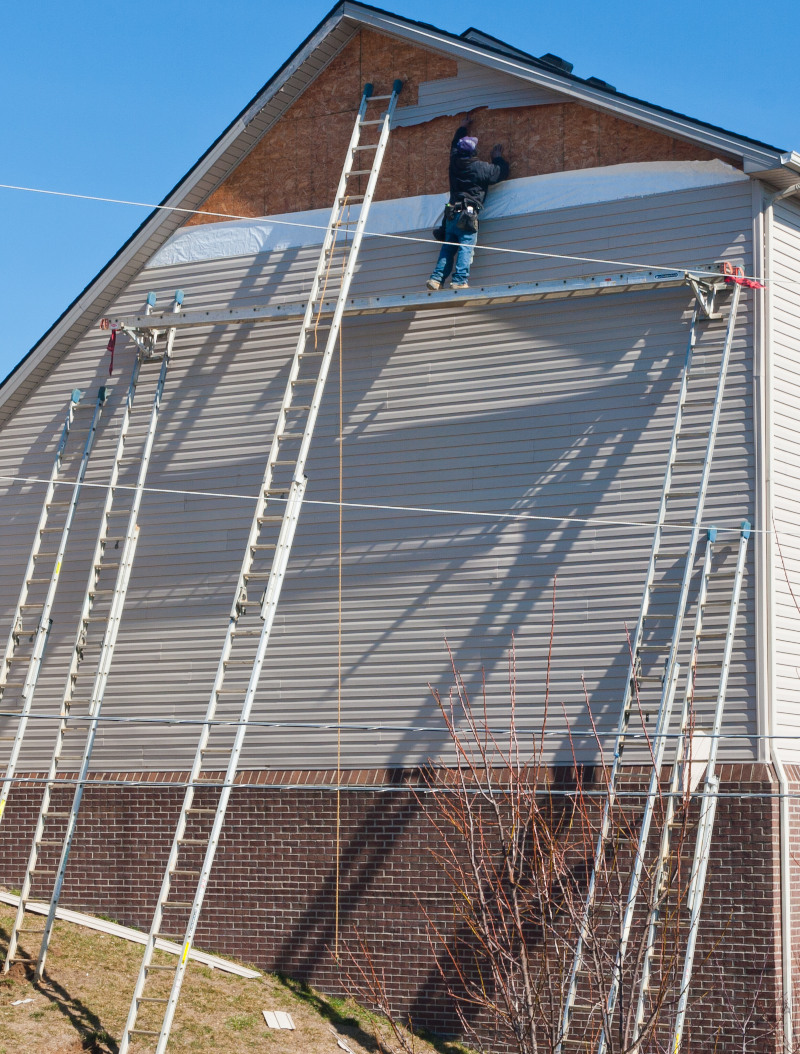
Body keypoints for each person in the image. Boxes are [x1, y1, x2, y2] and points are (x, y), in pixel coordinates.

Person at [427, 118, 509, 291]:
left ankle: (436, 279)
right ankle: (459, 280)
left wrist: (462, 128)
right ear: (474, 152)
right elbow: (500, 173)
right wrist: (498, 158)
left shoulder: (454, 162)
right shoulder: (481, 168)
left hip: (451, 215)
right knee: (465, 248)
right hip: (468, 215)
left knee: (448, 248)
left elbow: (454, 145)